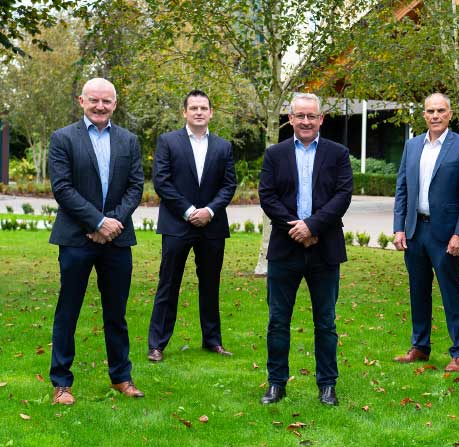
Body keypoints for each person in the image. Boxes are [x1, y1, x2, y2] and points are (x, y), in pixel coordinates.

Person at [47, 78, 145, 405]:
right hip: (76, 239)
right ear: (81, 101)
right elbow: (62, 188)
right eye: (94, 100)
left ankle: (121, 377)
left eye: (106, 101)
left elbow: (135, 186)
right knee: (68, 311)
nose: (100, 106)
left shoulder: (129, 140)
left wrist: (111, 223)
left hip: (117, 240)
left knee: (116, 313)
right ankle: (61, 383)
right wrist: (97, 222)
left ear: (115, 104)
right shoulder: (63, 138)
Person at [258, 93, 353, 406]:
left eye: (312, 116)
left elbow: (343, 195)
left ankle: (327, 385)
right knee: (277, 321)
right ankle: (276, 384)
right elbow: (267, 196)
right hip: (285, 249)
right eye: (300, 115)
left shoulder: (338, 153)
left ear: (321, 119)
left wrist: (312, 226)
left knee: (325, 323)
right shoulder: (275, 154)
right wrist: (296, 228)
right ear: (290, 118)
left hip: (325, 249)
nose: (306, 121)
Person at [147, 90, 237, 362]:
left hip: (212, 225)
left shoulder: (223, 146)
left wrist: (209, 211)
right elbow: (162, 181)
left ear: (211, 113)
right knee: (168, 283)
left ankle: (212, 340)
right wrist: (188, 211)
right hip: (177, 224)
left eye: (204, 108)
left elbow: (228, 185)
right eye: (194, 108)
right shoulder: (168, 142)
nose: (199, 112)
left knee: (210, 284)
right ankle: (157, 345)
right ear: (184, 112)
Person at [392, 93, 459, 373]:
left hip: (445, 234)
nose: (435, 115)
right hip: (415, 230)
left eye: (441, 110)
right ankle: (420, 346)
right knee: (418, 291)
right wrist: (398, 228)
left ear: (450, 114)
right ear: (424, 115)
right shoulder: (412, 145)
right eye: (430, 111)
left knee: (450, 292)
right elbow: (402, 189)